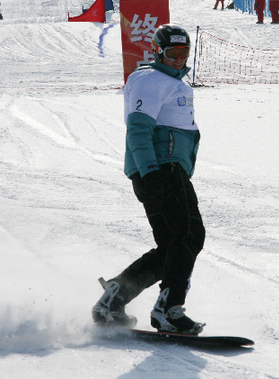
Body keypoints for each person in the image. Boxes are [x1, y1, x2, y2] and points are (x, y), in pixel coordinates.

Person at [92, 24, 206, 335]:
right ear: (158, 52)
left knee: (172, 244)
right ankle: (169, 310)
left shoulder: (169, 82)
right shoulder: (150, 80)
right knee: (189, 236)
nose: (179, 60)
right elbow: (139, 131)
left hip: (167, 170)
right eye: (172, 53)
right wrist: (151, 174)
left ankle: (114, 299)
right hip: (161, 170)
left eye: (183, 53)